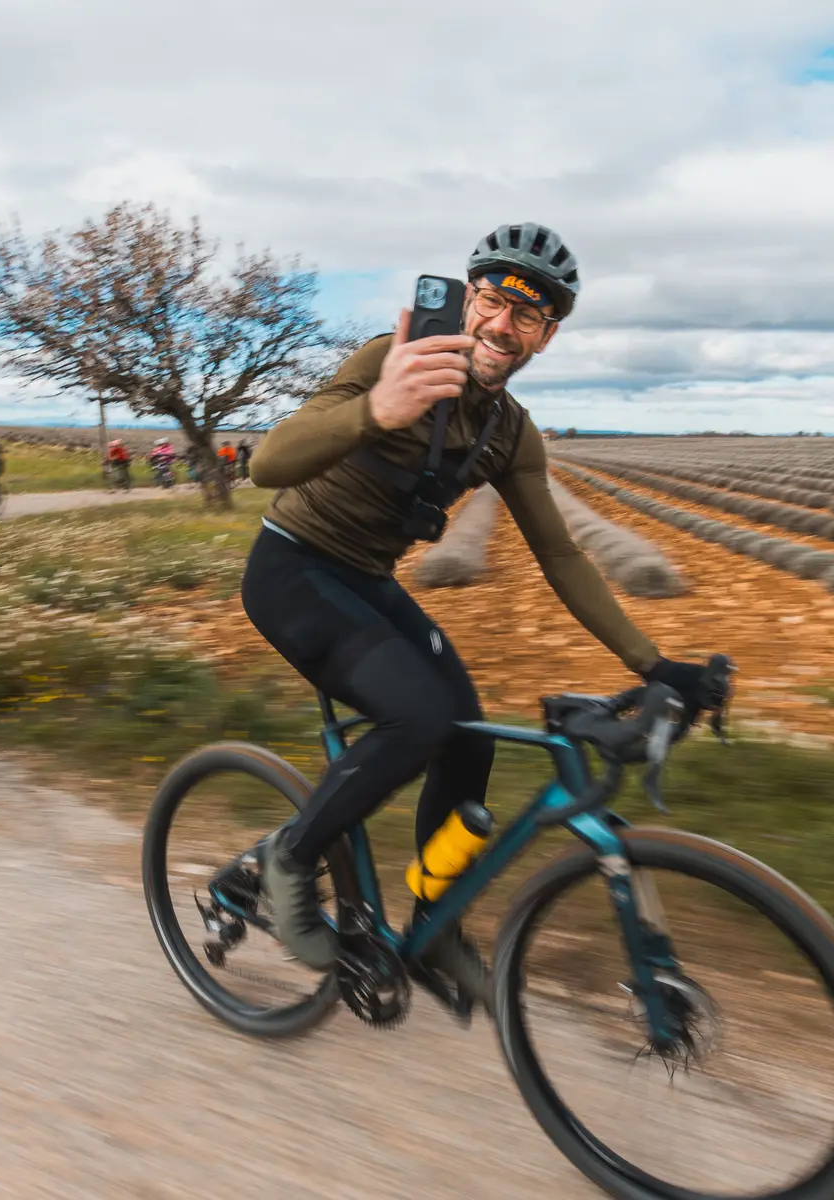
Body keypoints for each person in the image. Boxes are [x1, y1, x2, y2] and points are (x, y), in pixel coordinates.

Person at [242, 223, 724, 1001]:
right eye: (494, 301)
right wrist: (377, 408)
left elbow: (561, 555)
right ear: (468, 300)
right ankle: (289, 859)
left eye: (527, 315)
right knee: (417, 718)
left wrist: (655, 663)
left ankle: (434, 924)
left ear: (547, 335)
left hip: (366, 581)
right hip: (293, 568)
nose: (503, 325)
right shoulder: (389, 360)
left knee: (466, 736)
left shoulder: (510, 432)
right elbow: (269, 464)